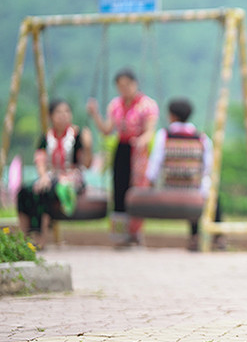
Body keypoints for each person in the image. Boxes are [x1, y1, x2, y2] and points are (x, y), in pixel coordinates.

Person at [87, 68, 158, 247]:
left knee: (136, 189)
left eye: (127, 85)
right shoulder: (115, 105)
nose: (124, 89)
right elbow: (106, 130)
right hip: (122, 148)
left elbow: (150, 131)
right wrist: (95, 114)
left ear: (135, 84)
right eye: (121, 86)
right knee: (119, 190)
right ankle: (120, 234)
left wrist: (142, 140)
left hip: (138, 151)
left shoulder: (147, 105)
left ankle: (136, 232)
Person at [145, 98, 222, 251]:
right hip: (194, 187)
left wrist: (150, 183)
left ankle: (196, 237)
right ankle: (214, 237)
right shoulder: (202, 138)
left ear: (172, 116)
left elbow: (155, 162)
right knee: (212, 196)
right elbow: (208, 167)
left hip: (169, 185)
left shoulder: (164, 135)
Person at [17, 99, 93, 249]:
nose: (63, 116)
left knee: (47, 190)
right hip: (51, 177)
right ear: (51, 116)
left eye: (66, 112)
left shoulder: (77, 136)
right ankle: (23, 235)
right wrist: (44, 176)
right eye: (59, 112)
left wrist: (88, 146)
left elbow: (86, 164)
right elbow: (40, 160)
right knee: (24, 191)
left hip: (72, 178)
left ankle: (41, 237)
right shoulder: (46, 137)